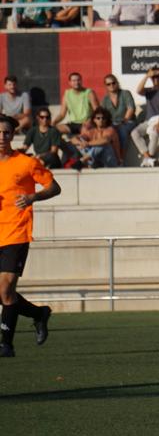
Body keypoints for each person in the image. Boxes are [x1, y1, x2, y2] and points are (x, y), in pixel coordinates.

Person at [0, 115, 61, 358]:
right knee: (3, 293)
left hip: (17, 231)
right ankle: (38, 314)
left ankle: (6, 344)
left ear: (13, 135)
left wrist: (32, 198)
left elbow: (54, 187)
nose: (1, 137)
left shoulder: (26, 163)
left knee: (5, 289)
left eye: (6, 132)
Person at [131, 66, 159, 168]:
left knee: (155, 132)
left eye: (157, 77)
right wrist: (147, 75)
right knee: (134, 132)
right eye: (153, 77)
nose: (155, 79)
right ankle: (148, 157)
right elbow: (138, 90)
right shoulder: (149, 91)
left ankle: (149, 158)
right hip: (149, 121)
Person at [53, 72, 98, 136]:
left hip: (86, 123)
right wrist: (53, 122)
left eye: (78, 80)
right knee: (53, 130)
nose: (76, 82)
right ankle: (61, 146)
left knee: (84, 132)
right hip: (73, 124)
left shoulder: (89, 92)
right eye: (74, 80)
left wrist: (90, 121)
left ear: (81, 81)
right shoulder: (67, 94)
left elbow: (97, 111)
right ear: (70, 82)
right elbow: (62, 114)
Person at [100, 74, 136, 150]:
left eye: (113, 83)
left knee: (122, 130)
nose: (111, 85)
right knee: (106, 133)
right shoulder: (105, 99)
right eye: (108, 84)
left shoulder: (125, 93)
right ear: (106, 86)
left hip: (128, 122)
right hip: (113, 123)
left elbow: (131, 108)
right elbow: (101, 113)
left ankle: (121, 158)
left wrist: (124, 120)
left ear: (117, 83)